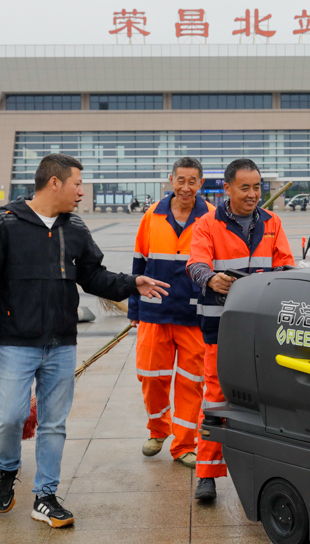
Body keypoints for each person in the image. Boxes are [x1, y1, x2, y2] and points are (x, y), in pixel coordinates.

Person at [0, 153, 168, 528]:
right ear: (54, 182)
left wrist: (131, 283)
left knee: (53, 424)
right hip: (14, 342)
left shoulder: (74, 227)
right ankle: (7, 469)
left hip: (61, 343)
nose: (81, 192)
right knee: (9, 418)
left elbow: (93, 276)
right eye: (77, 184)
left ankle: (45, 496)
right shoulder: (5, 223)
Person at [186, 158, 295, 501]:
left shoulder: (272, 222)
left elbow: (286, 265)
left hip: (262, 329)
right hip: (221, 329)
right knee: (216, 398)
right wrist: (210, 278)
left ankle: (265, 473)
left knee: (266, 400)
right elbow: (195, 263)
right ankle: (207, 475)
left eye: (257, 187)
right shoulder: (207, 224)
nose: (252, 194)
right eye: (244, 187)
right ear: (227, 188)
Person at [129, 157, 214, 466]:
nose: (186, 187)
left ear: (201, 183)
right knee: (150, 375)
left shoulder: (211, 217)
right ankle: (158, 430)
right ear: (171, 180)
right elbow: (139, 262)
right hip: (155, 311)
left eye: (192, 181)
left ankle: (185, 445)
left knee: (192, 381)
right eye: (181, 180)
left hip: (194, 315)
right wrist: (134, 308)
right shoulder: (152, 215)